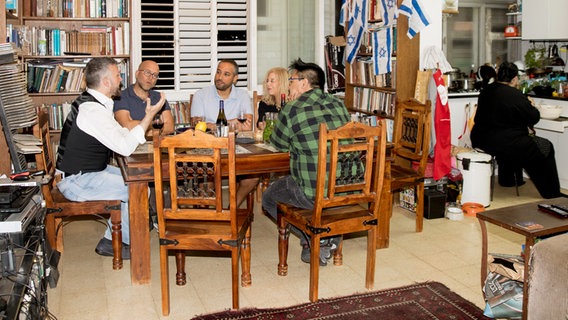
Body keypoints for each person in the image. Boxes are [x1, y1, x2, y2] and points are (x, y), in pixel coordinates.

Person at [55, 57, 166, 259]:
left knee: (139, 180)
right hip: (76, 180)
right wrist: (149, 116)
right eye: (117, 75)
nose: (121, 80)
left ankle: (111, 239)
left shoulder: (97, 104)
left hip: (89, 172)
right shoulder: (92, 110)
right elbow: (124, 147)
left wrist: (137, 129)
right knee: (136, 188)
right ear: (106, 82)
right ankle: (128, 244)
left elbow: (122, 133)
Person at [261, 58, 351, 266]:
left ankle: (312, 237)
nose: (289, 85)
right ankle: (323, 234)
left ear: (303, 83)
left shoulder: (292, 109)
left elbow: (278, 143)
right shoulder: (339, 104)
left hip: (315, 191)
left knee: (269, 197)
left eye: (291, 80)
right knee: (302, 184)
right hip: (347, 188)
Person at [471, 61, 561, 199]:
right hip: (505, 142)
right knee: (545, 146)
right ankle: (552, 193)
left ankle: (508, 180)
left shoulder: (487, 90)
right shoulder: (514, 94)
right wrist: (531, 105)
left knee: (512, 141)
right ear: (514, 79)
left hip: (481, 139)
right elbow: (534, 117)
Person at [191, 59, 256, 207]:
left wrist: (213, 125)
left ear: (235, 79)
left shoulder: (242, 95)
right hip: (209, 149)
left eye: (226, 74)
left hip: (236, 148)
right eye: (218, 72)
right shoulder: (201, 95)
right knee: (207, 181)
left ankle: (231, 207)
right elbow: (197, 126)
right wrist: (232, 124)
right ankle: (206, 215)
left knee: (252, 178)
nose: (219, 77)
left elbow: (247, 126)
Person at [114, 60, 175, 136]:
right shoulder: (121, 97)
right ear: (137, 74)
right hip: (133, 146)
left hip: (157, 145)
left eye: (155, 75)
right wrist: (156, 126)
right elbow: (127, 127)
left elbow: (170, 127)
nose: (150, 78)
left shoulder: (159, 97)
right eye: (147, 72)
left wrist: (141, 129)